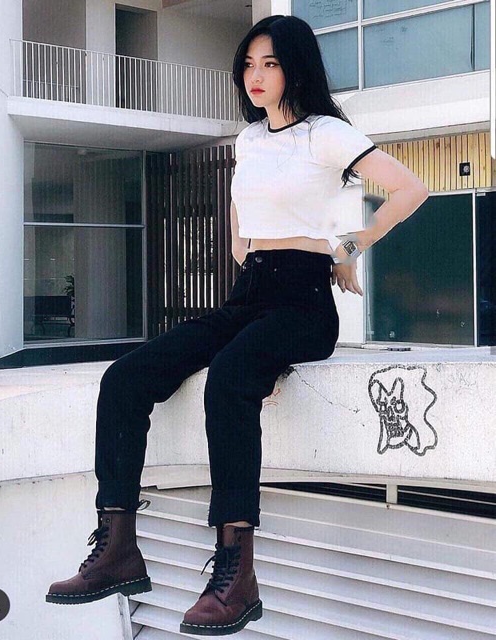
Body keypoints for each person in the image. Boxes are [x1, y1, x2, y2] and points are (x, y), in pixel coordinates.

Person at [45, 14, 429, 637]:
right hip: (248, 294)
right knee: (125, 378)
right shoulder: (249, 140)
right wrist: (252, 290)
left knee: (228, 379)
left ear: (295, 68)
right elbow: (239, 229)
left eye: (270, 63)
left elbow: (411, 189)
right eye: (249, 64)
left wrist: (347, 247)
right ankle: (116, 548)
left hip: (303, 302)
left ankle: (236, 575)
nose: (256, 75)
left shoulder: (326, 133)